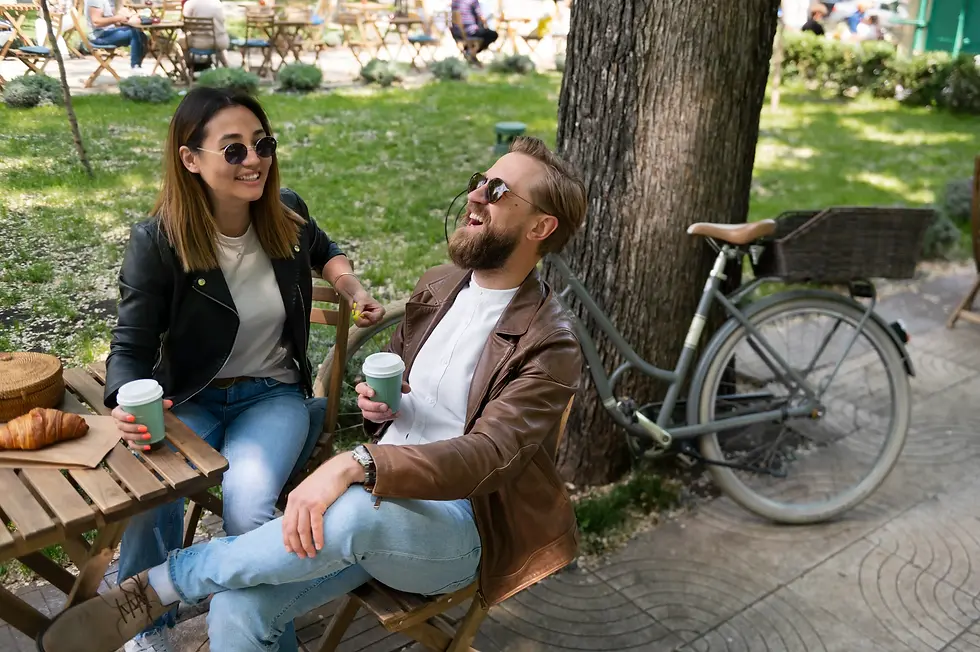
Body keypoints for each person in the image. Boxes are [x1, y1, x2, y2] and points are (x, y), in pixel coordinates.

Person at [36, 136, 588, 652]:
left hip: (456, 530)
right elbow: (402, 395)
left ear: (540, 226)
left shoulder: (548, 342)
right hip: (375, 500)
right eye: (478, 180)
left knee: (351, 514)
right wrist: (380, 404)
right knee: (236, 610)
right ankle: (185, 584)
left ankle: (165, 581)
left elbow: (489, 458)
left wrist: (359, 462)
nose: (474, 195)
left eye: (496, 191)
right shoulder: (439, 285)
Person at [99, 86, 384, 652]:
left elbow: (325, 246)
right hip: (189, 400)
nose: (253, 160)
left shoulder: (287, 215)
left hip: (271, 397)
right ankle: (147, 628)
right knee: (149, 492)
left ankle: (262, 632)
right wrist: (121, 403)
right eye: (233, 150)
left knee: (249, 505)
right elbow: (129, 344)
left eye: (262, 144)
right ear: (190, 159)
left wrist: (349, 285)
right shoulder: (158, 241)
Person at [84, 0, 148, 70]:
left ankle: (137, 66)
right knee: (133, 33)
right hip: (98, 36)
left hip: (108, 32)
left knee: (141, 35)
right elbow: (96, 22)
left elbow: (112, 20)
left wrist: (127, 19)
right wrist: (117, 18)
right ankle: (135, 67)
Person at [181, 0, 230, 68]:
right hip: (220, 41)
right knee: (219, 48)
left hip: (200, 43)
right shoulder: (217, 3)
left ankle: (189, 66)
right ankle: (227, 68)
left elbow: (186, 24)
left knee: (181, 40)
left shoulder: (190, 3)